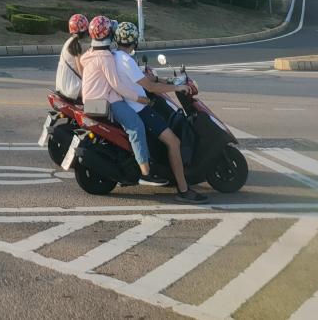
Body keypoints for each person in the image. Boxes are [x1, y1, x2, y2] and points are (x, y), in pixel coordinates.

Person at [112, 21, 208, 204]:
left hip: (134, 105)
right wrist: (178, 88)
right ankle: (183, 190)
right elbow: (150, 87)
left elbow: (144, 78)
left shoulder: (116, 56)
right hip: (140, 109)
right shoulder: (126, 60)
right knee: (174, 142)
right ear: (134, 42)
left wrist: (166, 80)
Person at [80, 15, 168, 186]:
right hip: (106, 100)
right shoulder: (106, 57)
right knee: (136, 127)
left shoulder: (89, 54)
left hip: (90, 100)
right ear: (109, 35)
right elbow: (117, 86)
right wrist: (139, 98)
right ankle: (145, 173)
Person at [55, 13, 88, 100]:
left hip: (61, 85)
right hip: (72, 87)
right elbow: (81, 72)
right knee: (96, 92)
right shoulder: (76, 45)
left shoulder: (69, 41)